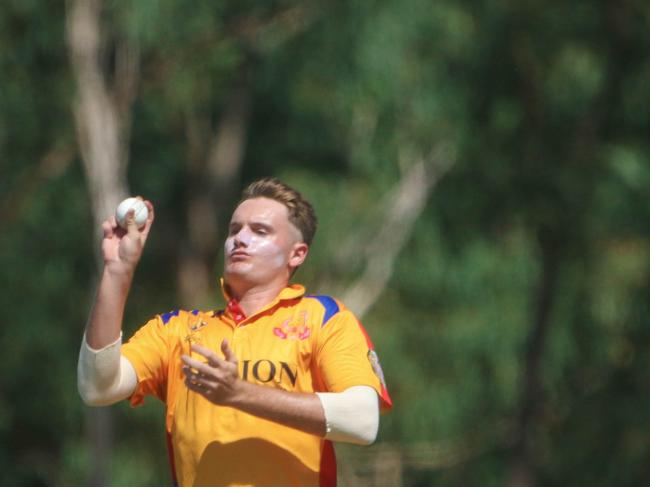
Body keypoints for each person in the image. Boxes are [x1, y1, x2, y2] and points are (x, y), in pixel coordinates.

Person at [78, 178, 392, 487]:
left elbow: (362, 422)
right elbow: (97, 387)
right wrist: (117, 274)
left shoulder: (324, 317)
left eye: (260, 231)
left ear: (297, 254)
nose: (239, 239)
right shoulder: (176, 329)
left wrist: (240, 393)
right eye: (234, 230)